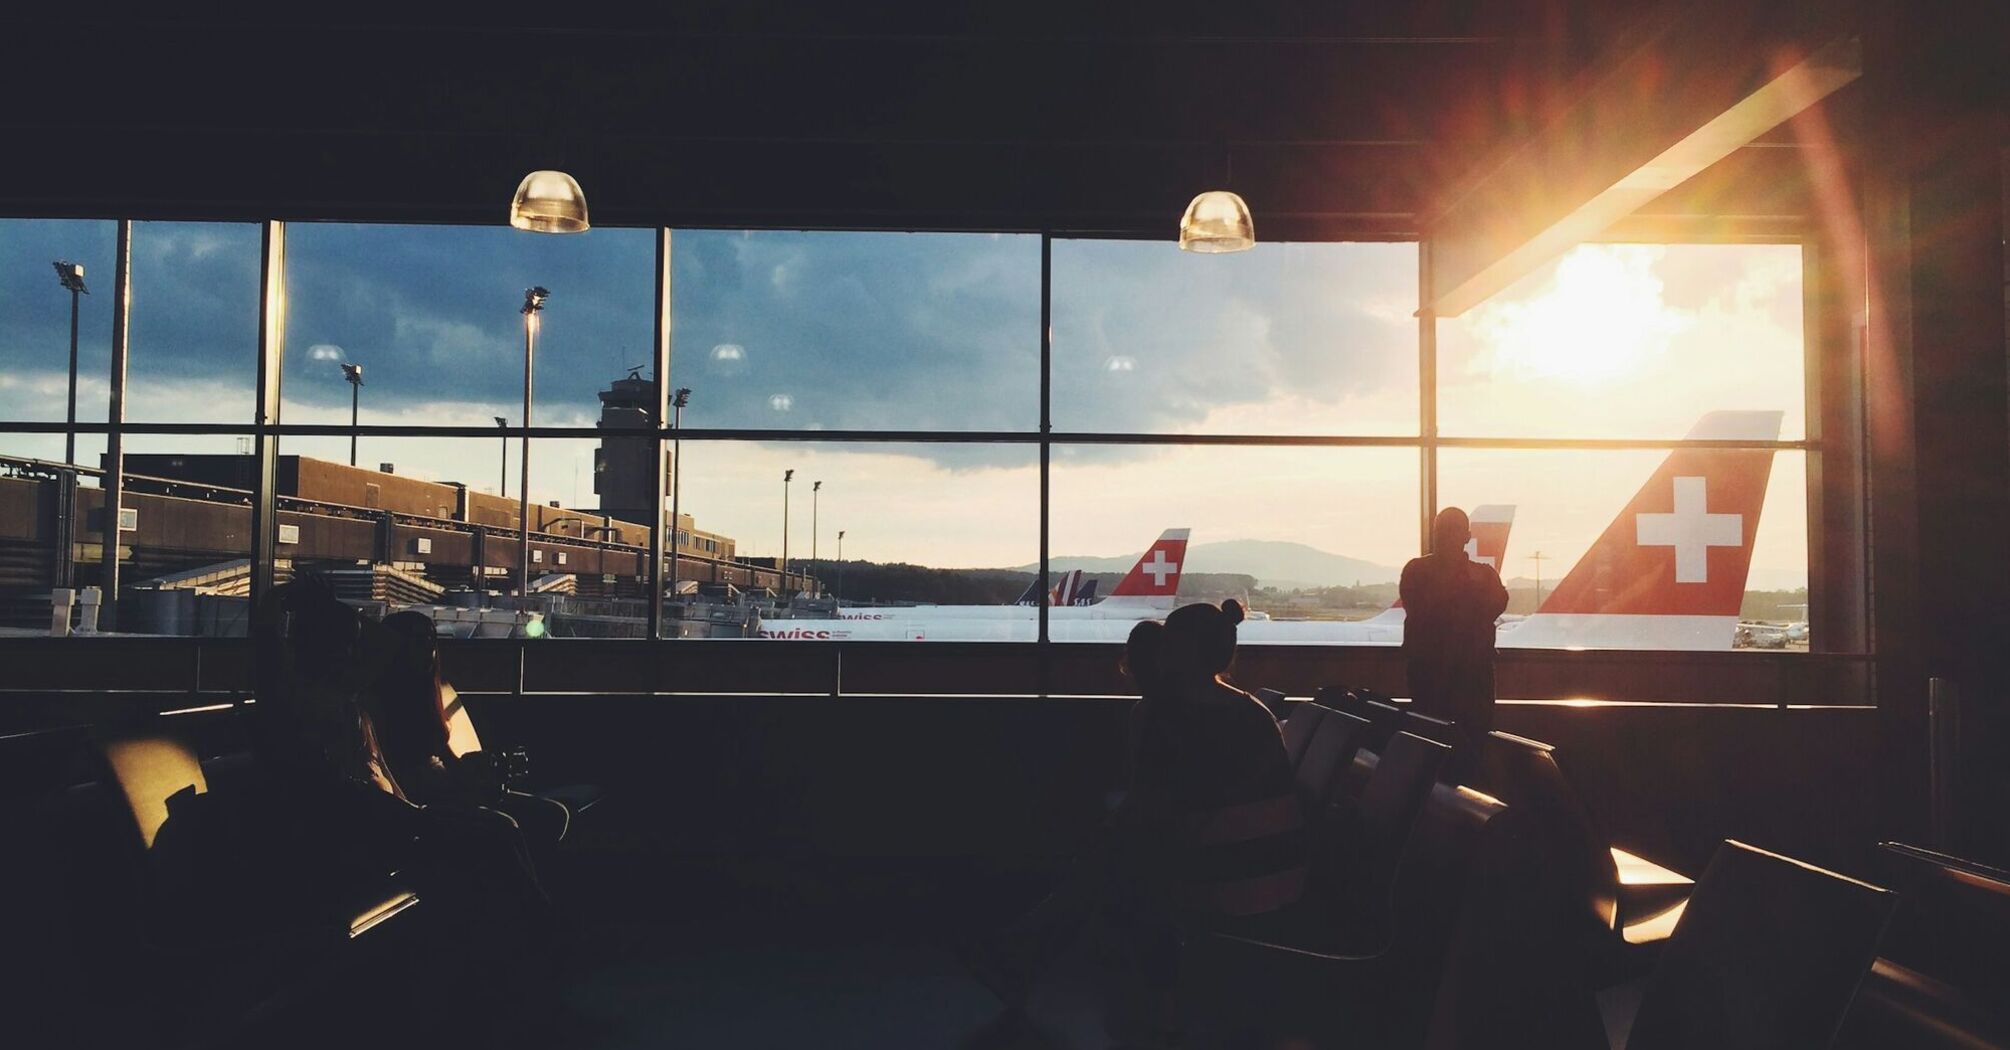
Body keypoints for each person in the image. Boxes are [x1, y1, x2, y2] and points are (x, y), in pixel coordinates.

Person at [970, 602, 1307, 1047]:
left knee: (1116, 870)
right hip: (1280, 874)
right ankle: (1027, 953)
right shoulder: (1253, 712)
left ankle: (1030, 954)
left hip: (1226, 880)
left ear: (1179, 652)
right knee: (1112, 865)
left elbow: (1151, 810)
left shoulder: (1164, 717)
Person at [375, 611, 571, 853]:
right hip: (429, 799)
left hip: (444, 790)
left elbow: (448, 761)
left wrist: (474, 774)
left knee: (550, 815)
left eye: (430, 639)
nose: (427, 648)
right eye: (417, 640)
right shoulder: (379, 704)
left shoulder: (427, 696)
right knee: (539, 819)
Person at [1400, 507, 1510, 777]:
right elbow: (1494, 606)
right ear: (1469, 537)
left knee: (1429, 758)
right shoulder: (1484, 577)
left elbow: (1422, 611)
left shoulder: (1416, 572)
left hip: (1431, 678)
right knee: (1470, 758)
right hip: (1473, 681)